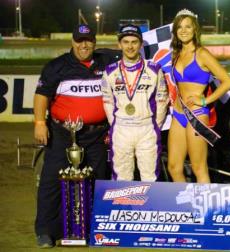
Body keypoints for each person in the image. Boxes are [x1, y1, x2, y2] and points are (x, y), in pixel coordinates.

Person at [33, 24, 120, 248]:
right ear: (73, 42)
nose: (84, 45)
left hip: (97, 135)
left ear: (94, 42)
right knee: (51, 181)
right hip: (62, 134)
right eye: (80, 41)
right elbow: (42, 95)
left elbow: (131, 56)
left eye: (88, 41)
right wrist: (40, 123)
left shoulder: (106, 62)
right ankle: (46, 231)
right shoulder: (57, 66)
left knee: (100, 180)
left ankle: (96, 228)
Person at [167, 9, 230, 183]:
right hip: (178, 114)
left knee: (199, 167)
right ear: (175, 31)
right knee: (174, 167)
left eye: (188, 27)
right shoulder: (176, 54)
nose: (183, 30)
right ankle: (184, 208)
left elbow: (227, 82)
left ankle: (204, 210)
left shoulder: (202, 53)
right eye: (179, 27)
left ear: (195, 29)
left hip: (196, 114)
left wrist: (205, 100)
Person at [101, 24, 169, 181]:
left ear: (140, 44)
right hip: (121, 130)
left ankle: (151, 205)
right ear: (119, 44)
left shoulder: (154, 69)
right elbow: (107, 101)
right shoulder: (110, 71)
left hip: (146, 129)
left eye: (134, 42)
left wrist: (154, 126)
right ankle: (123, 206)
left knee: (150, 177)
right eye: (126, 42)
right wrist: (116, 124)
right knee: (122, 178)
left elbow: (162, 100)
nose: (130, 46)